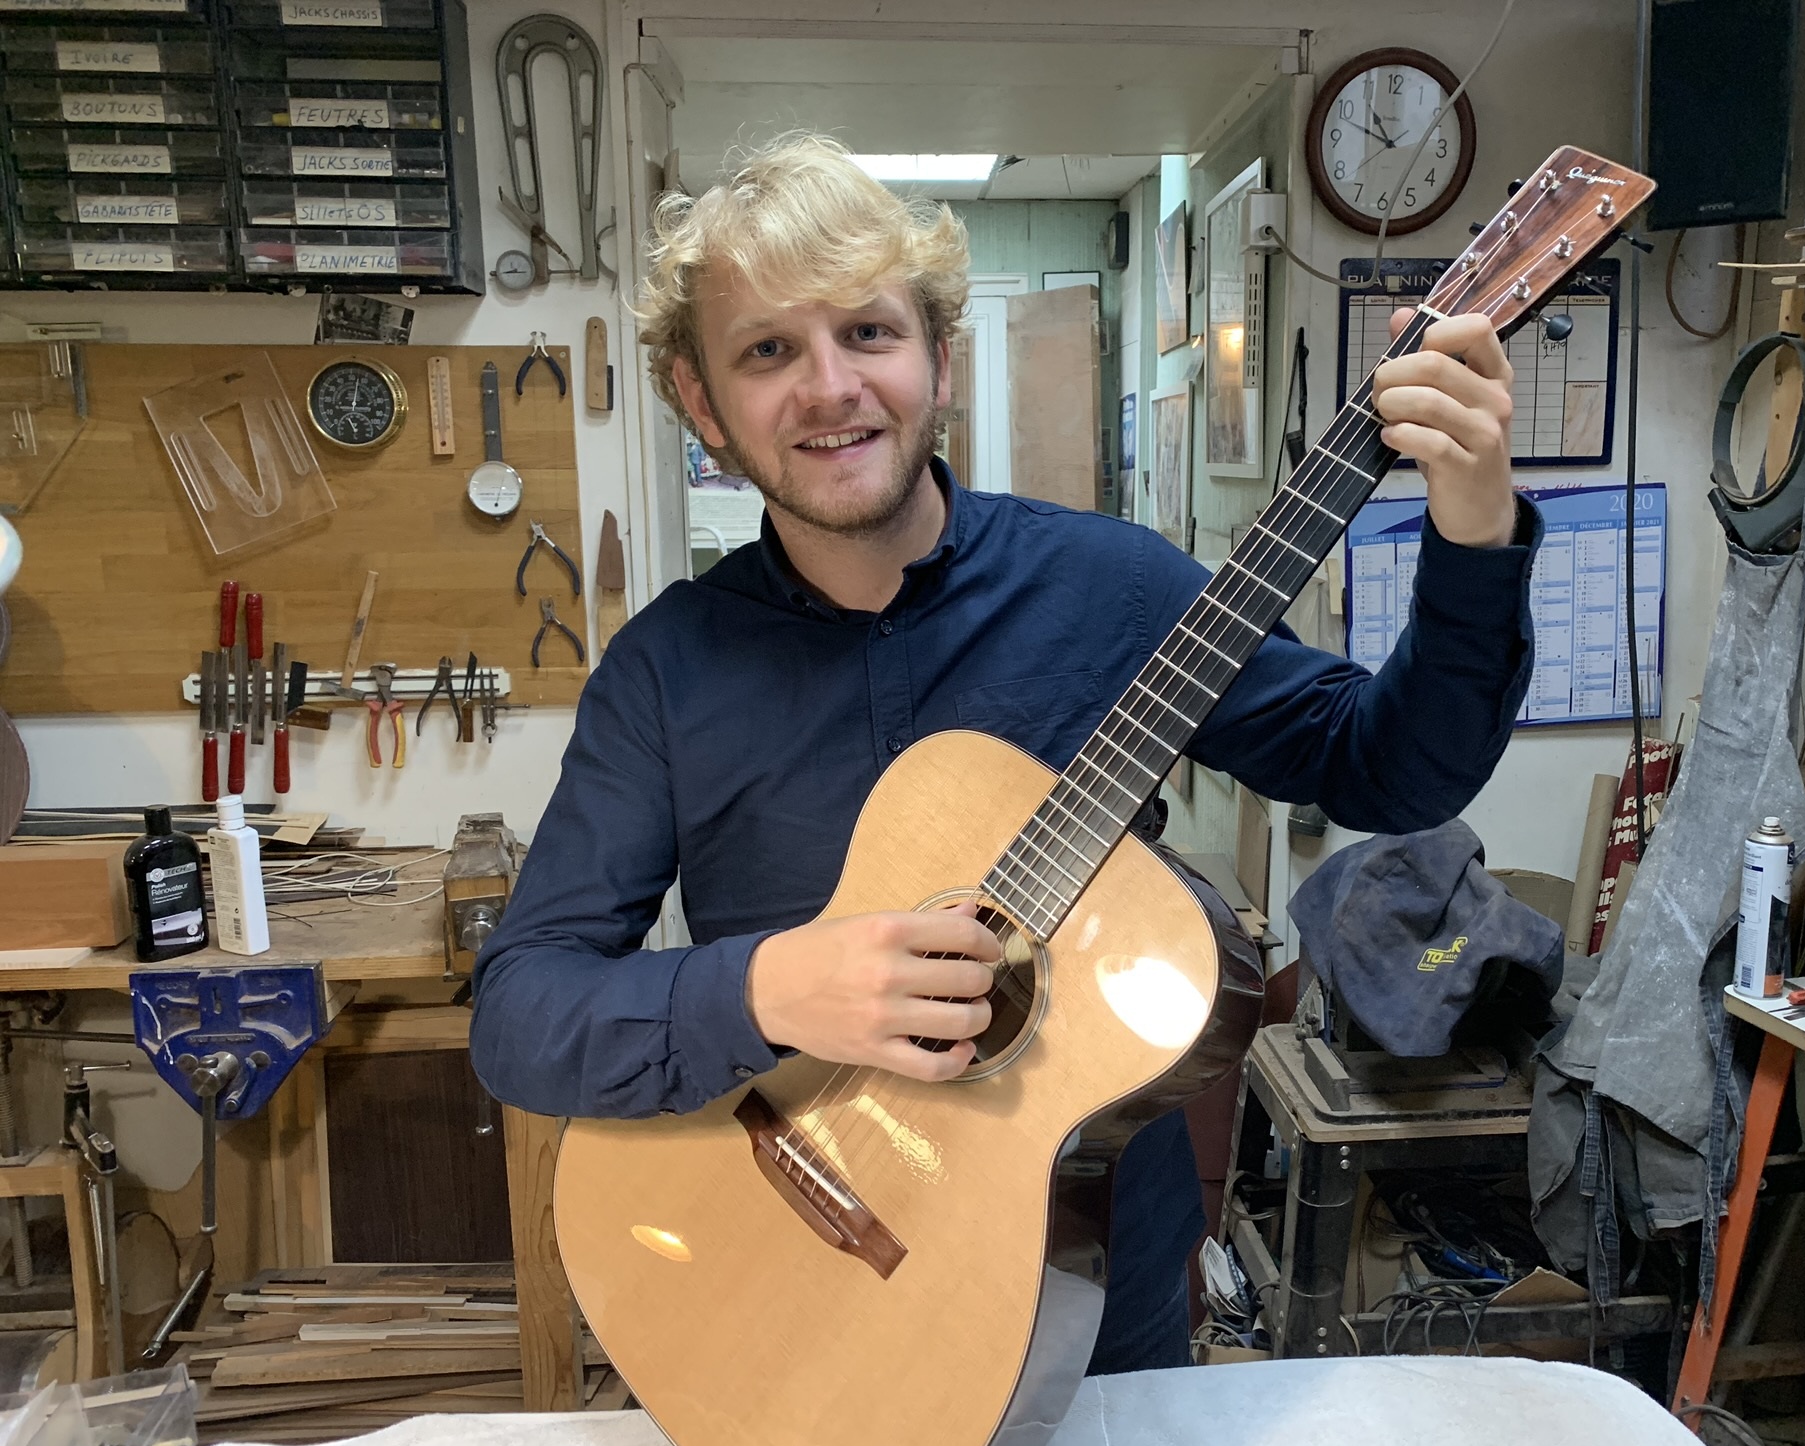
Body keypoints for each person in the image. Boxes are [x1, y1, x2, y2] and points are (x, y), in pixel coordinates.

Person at [470, 133, 1541, 1375]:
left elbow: (1388, 772)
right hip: (794, 1265)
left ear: (939, 356)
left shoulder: (1117, 589)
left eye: (867, 333)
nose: (828, 387)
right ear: (700, 400)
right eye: (768, 349)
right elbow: (520, 1016)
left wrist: (1471, 529)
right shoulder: (662, 674)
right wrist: (771, 989)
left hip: (1093, 1282)